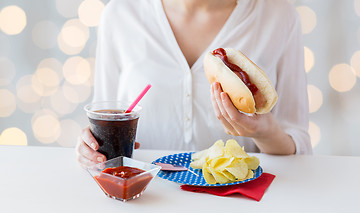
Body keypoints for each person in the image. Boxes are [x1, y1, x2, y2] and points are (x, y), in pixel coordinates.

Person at [76, 0, 313, 167]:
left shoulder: (279, 16)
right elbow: (104, 119)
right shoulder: (120, 14)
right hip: (144, 200)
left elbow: (298, 142)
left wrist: (264, 132)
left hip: (239, 207)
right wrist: (92, 148)